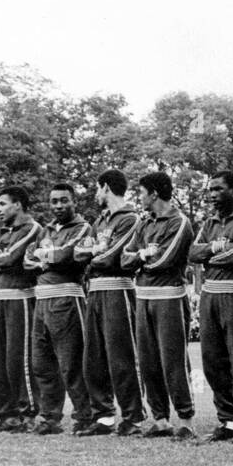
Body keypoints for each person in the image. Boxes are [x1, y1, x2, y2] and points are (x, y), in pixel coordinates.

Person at [122, 171, 197, 439]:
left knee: (173, 361)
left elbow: (163, 261)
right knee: (148, 361)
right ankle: (161, 419)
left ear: (154, 193)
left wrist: (140, 258)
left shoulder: (179, 222)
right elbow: (124, 258)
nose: (139, 197)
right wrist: (142, 254)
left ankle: (186, 419)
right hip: (143, 297)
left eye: (141, 192)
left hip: (169, 297)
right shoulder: (144, 223)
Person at [75, 168, 146, 437]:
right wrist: (94, 251)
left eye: (97, 188)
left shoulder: (130, 219)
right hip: (94, 291)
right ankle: (103, 416)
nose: (96, 194)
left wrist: (94, 253)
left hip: (118, 290)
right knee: (93, 357)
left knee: (122, 357)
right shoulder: (100, 221)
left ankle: (132, 417)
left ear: (105, 187)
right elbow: (77, 252)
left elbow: (112, 258)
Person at [188, 171, 233, 443]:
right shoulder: (210, 221)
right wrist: (214, 249)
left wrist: (211, 252)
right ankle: (227, 421)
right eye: (211, 190)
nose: (213, 195)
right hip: (210, 295)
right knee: (212, 361)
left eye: (219, 189)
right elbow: (192, 253)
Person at [29, 183, 93, 435]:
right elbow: (27, 259)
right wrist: (46, 256)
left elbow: (68, 255)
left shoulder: (83, 227)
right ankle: (49, 417)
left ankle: (85, 416)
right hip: (41, 300)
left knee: (72, 362)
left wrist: (44, 257)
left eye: (63, 200)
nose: (58, 206)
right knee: (41, 363)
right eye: (54, 201)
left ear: (73, 201)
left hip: (67, 298)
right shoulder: (45, 229)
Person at [0, 186, 43, 432]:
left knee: (19, 358)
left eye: (3, 204)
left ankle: (27, 412)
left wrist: (0, 259)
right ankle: (5, 413)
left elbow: (10, 258)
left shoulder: (33, 228)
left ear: (18, 204)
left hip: (20, 298)